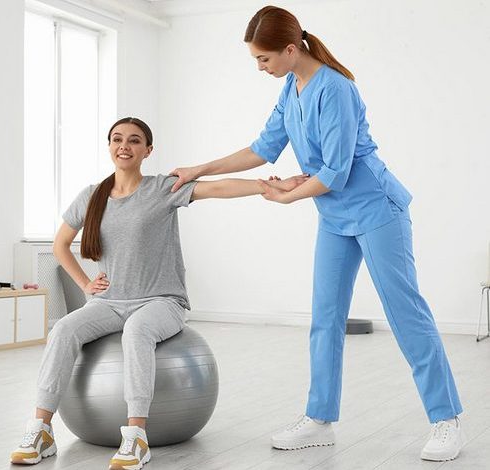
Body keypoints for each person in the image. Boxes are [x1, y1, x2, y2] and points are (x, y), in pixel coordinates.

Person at [170, 5, 464, 462]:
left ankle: (446, 420)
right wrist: (198, 169)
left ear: (290, 49)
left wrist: (288, 196)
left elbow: (336, 171)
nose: (259, 67)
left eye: (263, 58)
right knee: (326, 317)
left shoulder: (337, 88)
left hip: (376, 208)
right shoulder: (291, 87)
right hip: (334, 215)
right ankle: (320, 419)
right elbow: (262, 148)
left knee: (405, 312)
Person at [10, 117, 307, 469]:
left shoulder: (162, 188)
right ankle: (41, 429)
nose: (125, 146)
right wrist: (86, 285)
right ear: (109, 146)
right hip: (110, 302)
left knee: (137, 331)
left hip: (162, 301)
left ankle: (136, 436)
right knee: (62, 329)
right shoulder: (91, 196)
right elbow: (60, 244)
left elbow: (216, 188)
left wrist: (267, 186)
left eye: (134, 140)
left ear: (148, 150)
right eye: (117, 139)